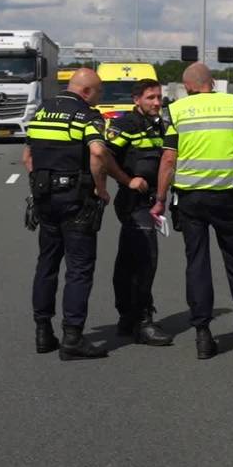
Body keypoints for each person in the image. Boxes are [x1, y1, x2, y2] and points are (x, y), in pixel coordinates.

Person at [150, 62, 233, 359]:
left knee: (197, 264)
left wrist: (160, 198)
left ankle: (203, 335)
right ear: (212, 82)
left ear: (188, 86)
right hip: (228, 198)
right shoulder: (231, 105)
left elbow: (168, 159)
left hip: (191, 201)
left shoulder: (177, 111)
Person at [21, 68, 112, 361]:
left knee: (46, 265)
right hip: (76, 200)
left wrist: (40, 183)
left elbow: (28, 156)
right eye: (98, 94)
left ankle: (43, 332)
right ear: (87, 91)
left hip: (45, 199)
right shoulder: (86, 115)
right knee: (79, 269)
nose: (99, 99)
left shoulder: (41, 112)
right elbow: (98, 153)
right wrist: (101, 188)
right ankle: (72, 337)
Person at [100, 79, 173, 347]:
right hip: (133, 200)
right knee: (144, 261)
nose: (156, 102)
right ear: (137, 99)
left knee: (129, 260)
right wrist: (127, 180)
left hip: (151, 199)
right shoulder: (125, 125)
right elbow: (103, 157)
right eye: (151, 98)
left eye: (159, 98)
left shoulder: (160, 124)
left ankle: (127, 317)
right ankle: (142, 322)